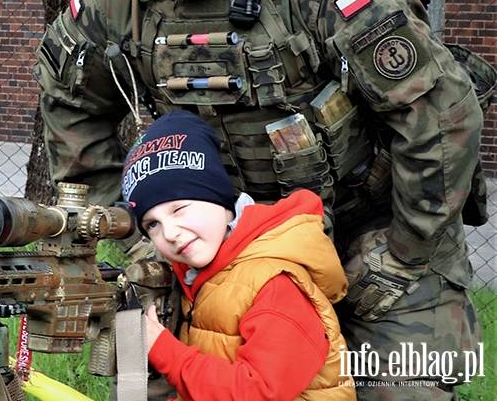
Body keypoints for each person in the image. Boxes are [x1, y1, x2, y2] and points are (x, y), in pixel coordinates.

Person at [34, 0, 485, 398]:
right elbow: (69, 96)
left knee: (399, 387)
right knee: (169, 383)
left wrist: (404, 249)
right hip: (215, 240)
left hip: (369, 226)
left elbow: (441, 113)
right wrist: (134, 228)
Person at [122, 110, 354, 400]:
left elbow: (257, 392)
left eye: (178, 209)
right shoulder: (205, 272)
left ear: (217, 196)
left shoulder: (273, 285)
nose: (169, 233)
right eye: (152, 224)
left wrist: (165, 352)